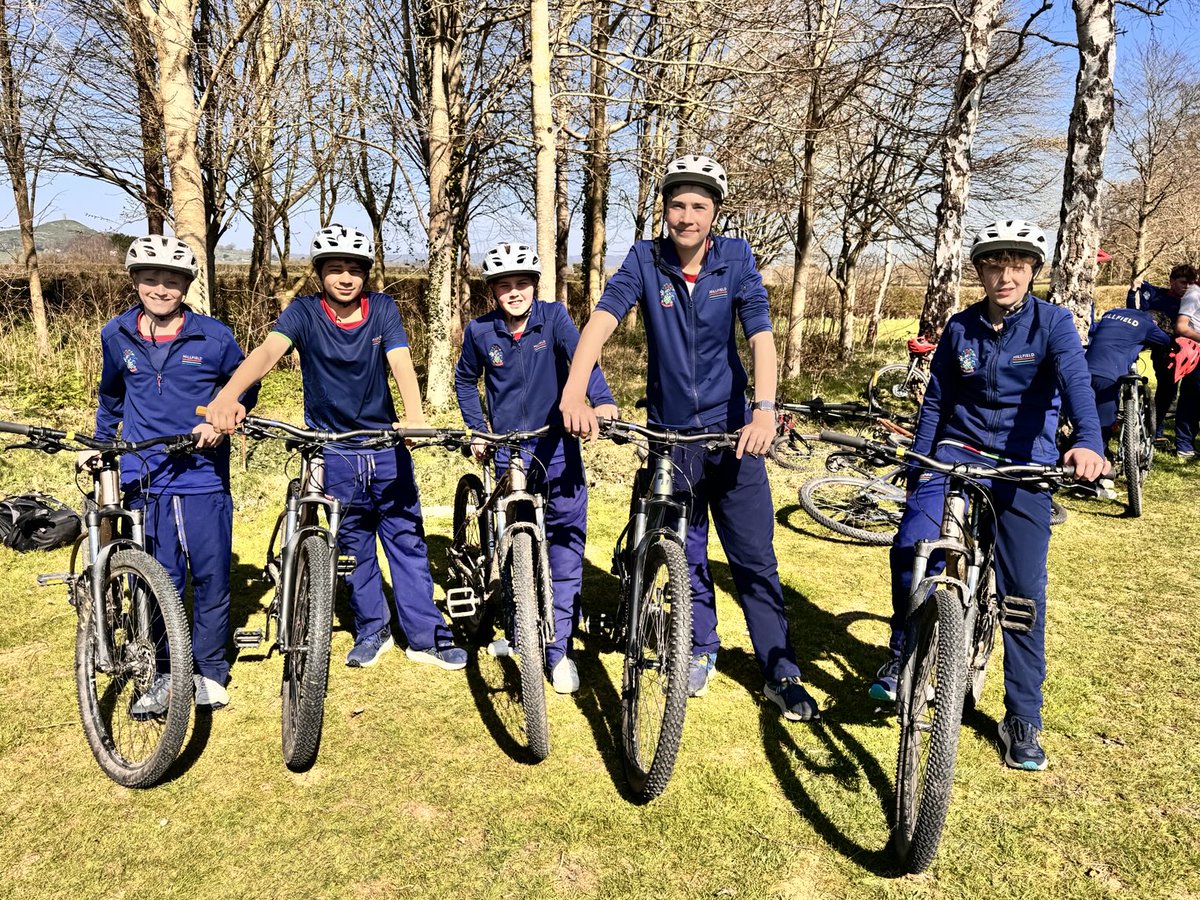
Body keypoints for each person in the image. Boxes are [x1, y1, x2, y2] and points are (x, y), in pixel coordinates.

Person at [558, 154, 819, 723]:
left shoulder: (736, 258)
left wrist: (764, 410)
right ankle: (698, 646)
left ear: (714, 213)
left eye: (699, 206)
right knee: (687, 551)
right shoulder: (645, 259)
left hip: (733, 435)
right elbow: (601, 320)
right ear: (665, 210)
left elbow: (761, 334)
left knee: (754, 559)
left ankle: (781, 671)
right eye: (677, 204)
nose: (687, 216)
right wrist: (575, 392)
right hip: (671, 437)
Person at [872, 219, 1107, 770]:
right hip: (958, 451)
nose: (1006, 276)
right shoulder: (960, 327)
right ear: (979, 271)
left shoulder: (1053, 324)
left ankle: (1022, 716)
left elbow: (1076, 383)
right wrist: (920, 464)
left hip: (1026, 462)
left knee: (1022, 595)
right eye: (995, 265)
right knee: (911, 548)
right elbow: (937, 400)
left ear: (1033, 271)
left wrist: (1089, 442)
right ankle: (904, 650)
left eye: (1018, 265)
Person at [205, 225, 466, 671]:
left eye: (354, 269)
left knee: (406, 541)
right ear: (320, 272)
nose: (345, 278)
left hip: (385, 446)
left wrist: (415, 416)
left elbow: (400, 360)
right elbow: (267, 353)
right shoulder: (304, 313)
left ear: (365, 273)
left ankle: (427, 637)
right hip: (333, 449)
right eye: (335, 268)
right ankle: (372, 629)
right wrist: (228, 396)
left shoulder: (382, 309)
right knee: (352, 545)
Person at [93, 234, 257, 713]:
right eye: (150, 279)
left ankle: (209, 671)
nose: (160, 289)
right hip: (144, 476)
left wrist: (222, 420)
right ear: (135, 281)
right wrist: (101, 447)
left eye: (171, 281)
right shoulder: (116, 334)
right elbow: (111, 398)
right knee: (156, 579)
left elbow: (245, 388)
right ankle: (164, 672)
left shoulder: (215, 337)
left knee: (209, 576)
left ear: (185, 286)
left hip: (202, 475)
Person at [454, 242, 617, 693]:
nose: (514, 292)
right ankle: (518, 627)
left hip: (556, 446)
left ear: (535, 285)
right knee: (513, 546)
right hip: (508, 450)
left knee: (564, 545)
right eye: (504, 284)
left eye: (522, 283)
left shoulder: (555, 318)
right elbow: (465, 379)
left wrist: (601, 400)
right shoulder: (479, 331)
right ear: (492, 290)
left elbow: (582, 360)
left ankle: (558, 649)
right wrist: (478, 429)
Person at [1084, 307, 1171, 449]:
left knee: (1083, 413)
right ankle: (1100, 452)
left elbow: (1092, 328)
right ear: (1155, 323)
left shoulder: (1111, 313)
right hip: (1109, 375)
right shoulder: (1147, 324)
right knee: (1105, 420)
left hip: (1082, 369)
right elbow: (1166, 341)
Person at [1127, 264, 1195, 437]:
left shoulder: (1192, 300)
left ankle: (1177, 434)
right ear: (1172, 281)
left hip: (1191, 351)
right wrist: (1133, 292)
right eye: (1183, 282)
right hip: (1165, 351)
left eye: (1190, 283)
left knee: (1189, 393)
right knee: (1167, 392)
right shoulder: (1157, 296)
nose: (1187, 286)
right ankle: (1154, 431)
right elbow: (1135, 313)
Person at [1172, 274, 1200, 458]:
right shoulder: (1194, 294)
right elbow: (1181, 327)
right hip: (1197, 353)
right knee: (1192, 398)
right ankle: (1184, 445)